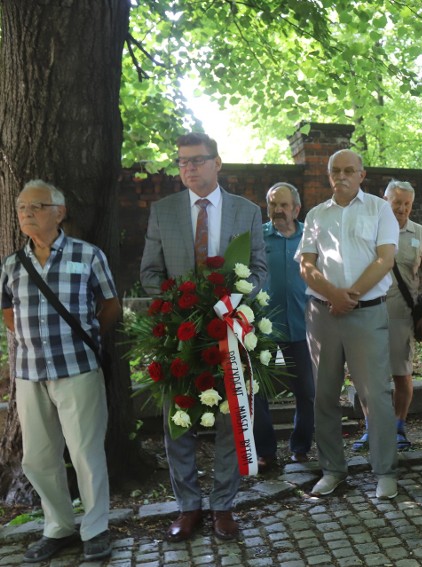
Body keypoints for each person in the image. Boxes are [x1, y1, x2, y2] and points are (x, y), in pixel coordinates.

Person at [140, 132, 267, 542]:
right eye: (182, 162)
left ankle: (224, 508)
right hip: (179, 337)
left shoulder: (245, 211)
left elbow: (260, 270)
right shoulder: (163, 211)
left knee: (230, 419)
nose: (188, 168)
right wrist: (177, 307)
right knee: (178, 424)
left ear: (218, 163)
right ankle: (188, 507)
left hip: (227, 334)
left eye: (197, 160)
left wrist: (231, 305)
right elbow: (149, 273)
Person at [2, 180, 120, 562]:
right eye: (21, 207)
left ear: (59, 212)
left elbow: (110, 305)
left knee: (86, 451)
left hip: (78, 368)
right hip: (29, 372)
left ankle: (96, 528)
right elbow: (8, 313)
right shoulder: (11, 265)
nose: (26, 213)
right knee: (38, 456)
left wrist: (87, 338)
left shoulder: (88, 255)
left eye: (36, 206)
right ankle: (59, 527)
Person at [298, 149, 400, 499]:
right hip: (322, 315)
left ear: (361, 174)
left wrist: (350, 294)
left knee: (376, 395)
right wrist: (332, 294)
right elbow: (306, 265)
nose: (340, 176)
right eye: (334, 170)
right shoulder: (316, 215)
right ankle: (332, 469)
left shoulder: (379, 209)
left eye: (347, 170)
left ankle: (384, 470)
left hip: (366, 312)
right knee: (324, 395)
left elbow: (385, 260)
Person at [352, 180, 422, 452]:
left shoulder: (419, 233)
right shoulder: (367, 230)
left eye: (407, 204)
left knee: (401, 373)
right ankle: (372, 427)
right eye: (397, 202)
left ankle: (398, 426)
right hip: (367, 313)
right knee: (368, 375)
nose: (402, 208)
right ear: (384, 200)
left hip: (402, 316)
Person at [252, 182, 315, 469]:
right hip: (263, 329)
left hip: (303, 326)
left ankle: (300, 448)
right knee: (258, 391)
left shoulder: (311, 238)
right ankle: (265, 451)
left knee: (307, 391)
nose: (277, 210)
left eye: (283, 205)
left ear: (297, 209)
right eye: (273, 204)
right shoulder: (257, 238)